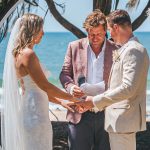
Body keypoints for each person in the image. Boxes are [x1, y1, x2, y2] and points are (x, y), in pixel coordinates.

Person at [0, 14, 77, 150]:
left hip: (31, 109)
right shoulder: (28, 54)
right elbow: (45, 86)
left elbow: (34, 88)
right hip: (35, 114)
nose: (43, 33)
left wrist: (61, 102)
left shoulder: (18, 54)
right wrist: (73, 97)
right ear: (33, 30)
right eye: (41, 28)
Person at [75, 9, 149, 150]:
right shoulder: (128, 48)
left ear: (116, 27)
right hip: (120, 121)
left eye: (109, 30)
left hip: (123, 120)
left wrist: (95, 101)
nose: (109, 35)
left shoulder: (133, 50)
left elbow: (128, 88)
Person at [60, 10, 117, 150]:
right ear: (87, 31)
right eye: (91, 34)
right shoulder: (74, 47)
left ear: (106, 31)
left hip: (107, 113)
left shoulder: (116, 49)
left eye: (99, 34)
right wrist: (71, 87)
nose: (95, 38)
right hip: (79, 112)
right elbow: (64, 73)